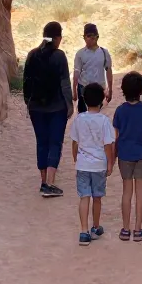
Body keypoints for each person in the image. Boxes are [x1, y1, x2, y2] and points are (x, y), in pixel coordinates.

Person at [23, 21, 73, 198]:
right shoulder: (59, 56)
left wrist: (28, 103)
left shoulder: (32, 55)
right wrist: (69, 105)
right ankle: (50, 183)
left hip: (36, 107)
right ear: (58, 38)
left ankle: (43, 181)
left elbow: (26, 83)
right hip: (56, 106)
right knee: (55, 142)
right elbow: (65, 83)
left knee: (42, 142)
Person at [70, 82, 116, 246]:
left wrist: (76, 158)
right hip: (99, 165)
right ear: (102, 100)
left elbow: (74, 142)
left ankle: (83, 231)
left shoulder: (79, 119)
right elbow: (108, 145)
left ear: (84, 98)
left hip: (83, 164)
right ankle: (96, 227)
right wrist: (110, 163)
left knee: (84, 197)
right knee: (97, 197)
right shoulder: (104, 121)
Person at [112, 72, 142, 242]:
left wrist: (114, 157)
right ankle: (138, 229)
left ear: (123, 90)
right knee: (140, 190)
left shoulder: (120, 111)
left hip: (125, 154)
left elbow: (116, 137)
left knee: (126, 191)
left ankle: (125, 228)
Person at [73, 22, 113, 114]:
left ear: (97, 37)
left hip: (99, 89)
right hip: (84, 88)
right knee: (83, 115)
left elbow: (108, 70)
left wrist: (109, 90)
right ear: (84, 37)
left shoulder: (104, 52)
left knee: (97, 114)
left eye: (94, 36)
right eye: (88, 36)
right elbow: (76, 72)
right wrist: (74, 91)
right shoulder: (80, 54)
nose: (91, 38)